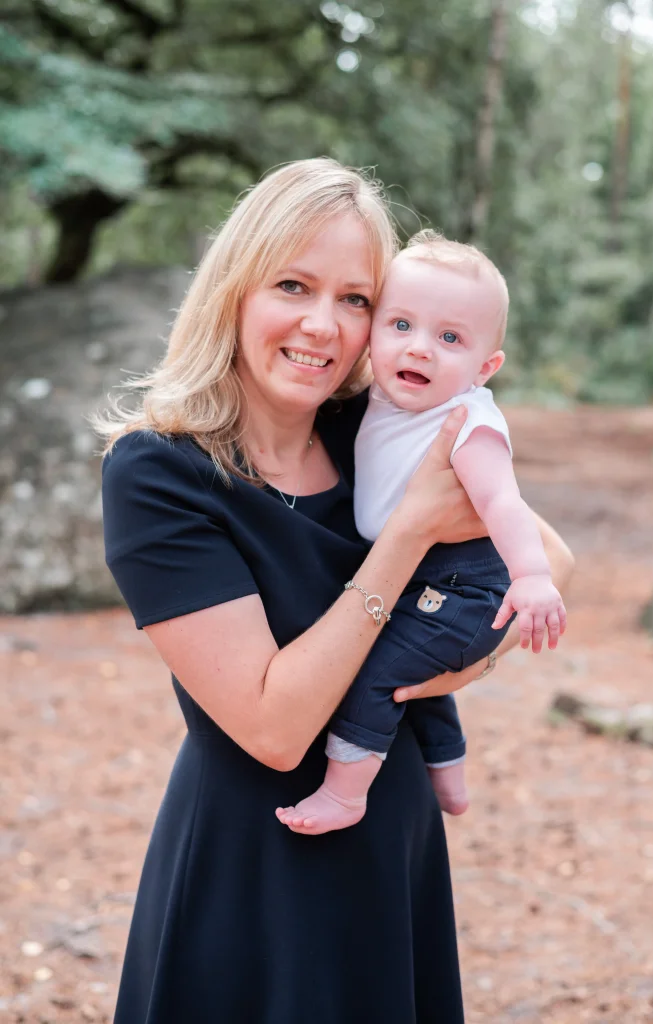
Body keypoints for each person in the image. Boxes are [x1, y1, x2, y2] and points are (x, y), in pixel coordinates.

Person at [96, 158, 575, 1024]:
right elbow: (276, 731)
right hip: (250, 865)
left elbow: (550, 558)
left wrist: (454, 665)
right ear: (234, 290)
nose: (323, 325)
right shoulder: (159, 474)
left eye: (355, 299)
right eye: (293, 285)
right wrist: (407, 537)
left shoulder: (382, 425)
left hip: (393, 841)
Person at [277, 231, 567, 837]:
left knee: (378, 670)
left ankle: (345, 791)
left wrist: (532, 576)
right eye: (401, 325)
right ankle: (447, 770)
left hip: (465, 589)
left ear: (484, 368)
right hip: (424, 579)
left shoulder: (466, 422)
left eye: (450, 338)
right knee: (414, 674)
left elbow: (502, 501)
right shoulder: (383, 397)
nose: (420, 348)